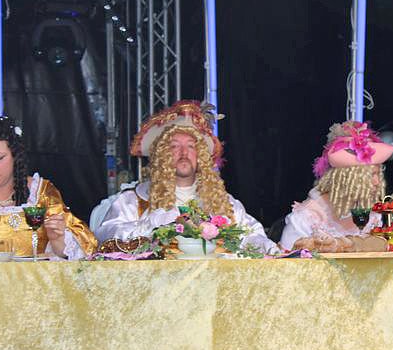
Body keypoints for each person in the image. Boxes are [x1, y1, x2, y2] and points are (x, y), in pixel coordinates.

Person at [94, 101, 277, 254]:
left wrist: (269, 248)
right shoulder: (134, 200)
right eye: (174, 146)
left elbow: (252, 235)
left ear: (200, 156)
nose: (184, 153)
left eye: (191, 146)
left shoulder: (224, 203)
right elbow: (105, 235)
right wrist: (153, 224)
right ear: (162, 155)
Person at [0, 116, 97, 259]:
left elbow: (84, 250)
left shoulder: (41, 193)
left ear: (15, 156)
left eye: (0, 157)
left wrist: (58, 238)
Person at [279, 121, 393, 251]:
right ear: (345, 179)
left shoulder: (371, 213)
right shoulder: (308, 216)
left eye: (378, 174)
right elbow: (286, 258)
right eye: (370, 176)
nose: (377, 182)